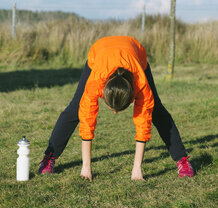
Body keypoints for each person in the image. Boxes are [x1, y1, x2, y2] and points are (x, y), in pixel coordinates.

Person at [38, 36, 194, 180]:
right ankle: (49, 157)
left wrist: (137, 168)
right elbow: (87, 121)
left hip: (135, 54)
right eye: (112, 108)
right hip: (99, 52)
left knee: (156, 109)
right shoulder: (96, 82)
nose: (114, 112)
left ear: (132, 95)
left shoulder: (140, 84)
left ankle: (182, 160)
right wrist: (86, 167)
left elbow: (143, 123)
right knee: (75, 108)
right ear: (103, 92)